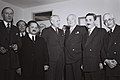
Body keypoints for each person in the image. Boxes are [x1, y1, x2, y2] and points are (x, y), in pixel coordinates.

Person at [82, 13, 107, 80]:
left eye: (90, 20)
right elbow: (83, 50)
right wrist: (82, 63)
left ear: (95, 21)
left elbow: (104, 48)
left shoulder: (101, 31)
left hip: (97, 64)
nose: (88, 22)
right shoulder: (84, 35)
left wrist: (102, 61)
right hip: (86, 65)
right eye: (86, 20)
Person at [0, 7, 21, 80]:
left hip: (12, 63)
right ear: (2, 15)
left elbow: (19, 42)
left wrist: (17, 46)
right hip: (1, 62)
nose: (9, 15)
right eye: (7, 13)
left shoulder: (15, 28)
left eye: (11, 14)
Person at [41, 15, 64, 80]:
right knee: (50, 77)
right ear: (52, 21)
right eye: (57, 21)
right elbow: (43, 47)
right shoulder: (46, 31)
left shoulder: (61, 31)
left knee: (59, 76)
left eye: (59, 20)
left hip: (61, 59)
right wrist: (45, 61)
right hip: (50, 59)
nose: (59, 22)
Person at [64, 14, 86, 80]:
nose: (70, 21)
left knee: (78, 77)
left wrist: (83, 61)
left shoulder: (82, 29)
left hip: (78, 58)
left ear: (75, 19)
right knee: (69, 77)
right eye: (68, 20)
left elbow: (85, 45)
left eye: (72, 19)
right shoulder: (66, 31)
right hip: (67, 59)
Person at [103, 13, 120, 80]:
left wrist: (117, 61)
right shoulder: (106, 34)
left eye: (109, 19)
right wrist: (106, 60)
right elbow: (103, 50)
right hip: (109, 70)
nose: (108, 22)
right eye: (105, 21)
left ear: (114, 20)